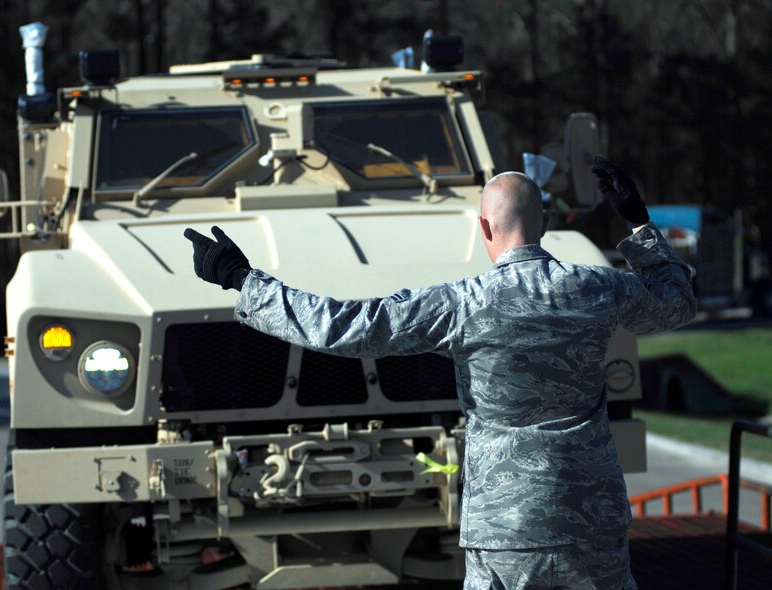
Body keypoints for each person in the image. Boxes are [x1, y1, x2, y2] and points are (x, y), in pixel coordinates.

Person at [184, 157, 696, 589]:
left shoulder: (462, 305)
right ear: (542, 225)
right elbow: (676, 304)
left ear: (484, 228)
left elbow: (342, 328)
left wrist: (242, 279)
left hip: (506, 530)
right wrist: (637, 224)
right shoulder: (597, 289)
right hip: (593, 518)